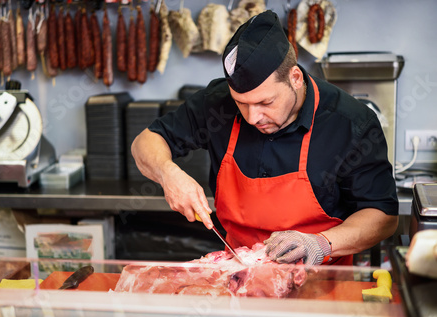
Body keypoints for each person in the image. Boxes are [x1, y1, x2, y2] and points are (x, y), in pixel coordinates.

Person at [131, 10, 398, 265]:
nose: (252, 117)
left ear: (294, 78)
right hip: (241, 278)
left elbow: (383, 216)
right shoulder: (218, 104)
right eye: (241, 103)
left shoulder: (350, 123)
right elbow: (146, 141)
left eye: (265, 102)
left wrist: (320, 244)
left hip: (323, 284)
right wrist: (168, 173)